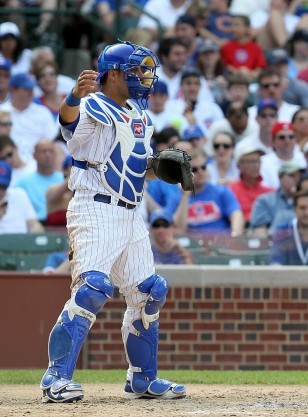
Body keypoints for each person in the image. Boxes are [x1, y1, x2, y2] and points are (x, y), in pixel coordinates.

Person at [40, 41, 187, 403]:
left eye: (145, 70)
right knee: (92, 289)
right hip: (95, 208)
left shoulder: (139, 114)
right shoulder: (92, 105)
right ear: (115, 74)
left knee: (149, 291)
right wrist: (73, 97)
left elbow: (133, 166)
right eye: (136, 70)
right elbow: (69, 126)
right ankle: (55, 379)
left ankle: (142, 379)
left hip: (131, 213)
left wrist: (159, 169)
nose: (144, 76)